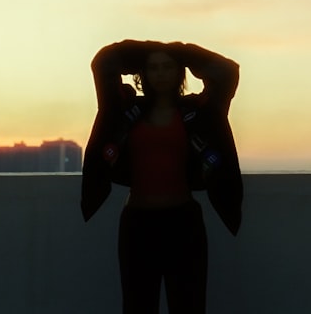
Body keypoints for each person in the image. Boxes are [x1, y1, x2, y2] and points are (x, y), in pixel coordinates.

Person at [81, 39, 242, 314]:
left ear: (179, 72)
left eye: (168, 66)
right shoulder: (124, 110)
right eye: (153, 67)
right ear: (143, 73)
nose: (160, 73)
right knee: (138, 306)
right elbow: (103, 63)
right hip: (137, 225)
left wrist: (182, 50)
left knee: (189, 306)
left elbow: (226, 71)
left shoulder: (198, 111)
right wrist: (146, 49)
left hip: (184, 224)